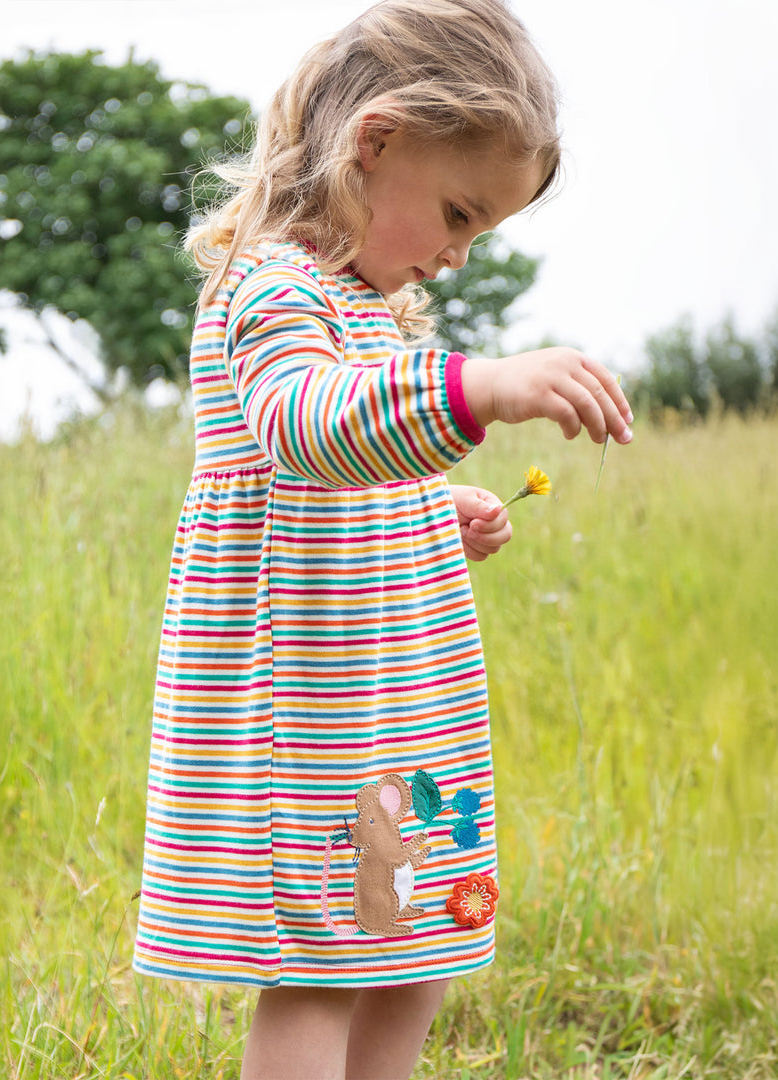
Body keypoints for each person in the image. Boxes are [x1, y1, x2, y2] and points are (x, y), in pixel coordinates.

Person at [132, 0, 633, 1076]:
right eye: (458, 213)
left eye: (480, 233)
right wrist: (485, 387)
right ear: (375, 142)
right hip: (303, 716)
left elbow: (350, 468)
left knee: (419, 942)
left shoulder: (372, 307)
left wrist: (429, 505)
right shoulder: (272, 288)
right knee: (319, 961)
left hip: (392, 710)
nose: (456, 256)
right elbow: (307, 428)